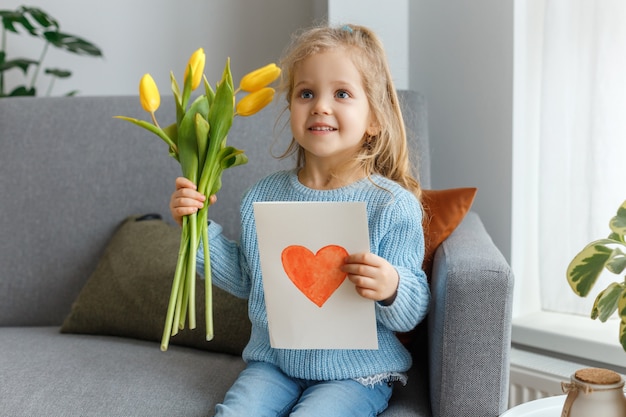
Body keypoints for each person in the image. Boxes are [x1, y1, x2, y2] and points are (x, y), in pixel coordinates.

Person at [170, 23, 430, 417]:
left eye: (342, 93)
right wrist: (195, 228)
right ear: (290, 106)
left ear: (374, 119)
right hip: (274, 365)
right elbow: (248, 278)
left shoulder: (391, 205)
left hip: (357, 374)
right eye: (306, 93)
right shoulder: (263, 194)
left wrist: (391, 285)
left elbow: (413, 307)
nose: (321, 106)